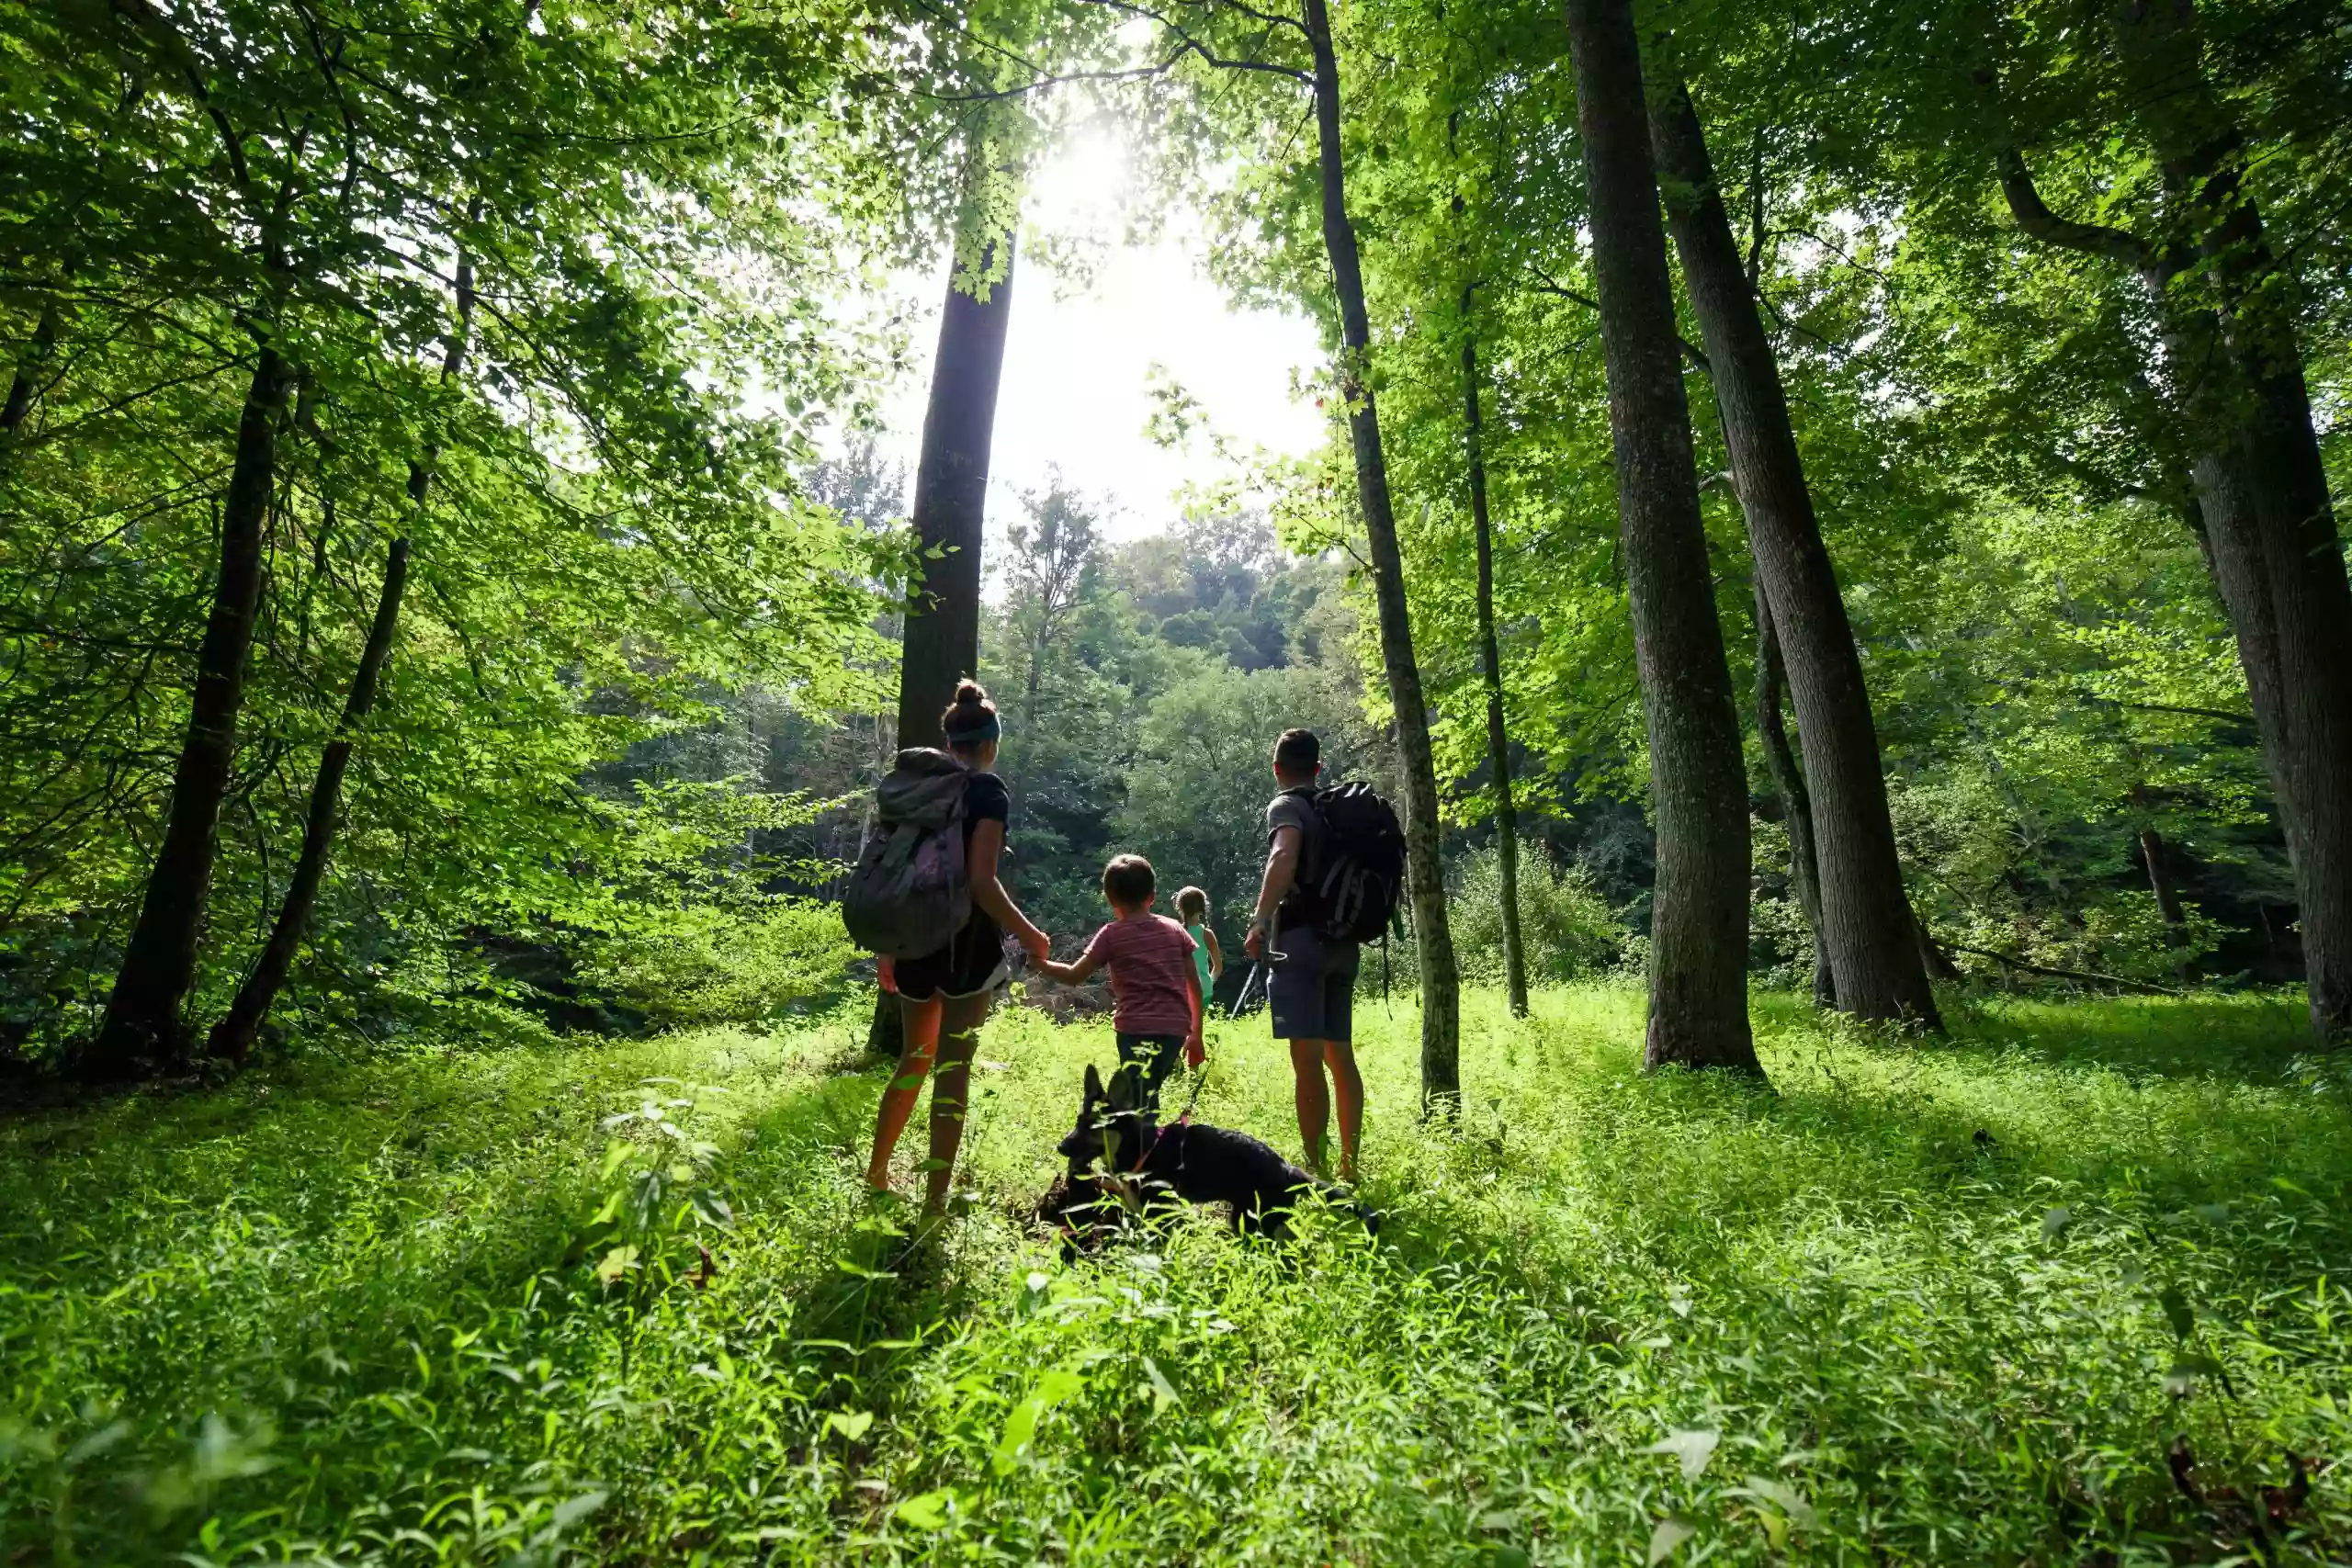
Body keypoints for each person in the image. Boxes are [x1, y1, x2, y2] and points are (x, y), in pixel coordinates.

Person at [866, 680, 1050, 1215]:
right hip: (966, 947)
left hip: (914, 943)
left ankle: (877, 1175)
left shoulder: (919, 787)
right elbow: (982, 883)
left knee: (912, 1060)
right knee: (953, 1070)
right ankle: (935, 1201)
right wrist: (1029, 933)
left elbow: (895, 870)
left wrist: (889, 948)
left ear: (950, 742)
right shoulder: (987, 792)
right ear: (991, 741)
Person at [1242, 728, 1363, 1183]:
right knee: (1341, 1058)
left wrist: (1259, 919)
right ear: (1317, 768)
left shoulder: (1286, 805)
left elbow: (1284, 856)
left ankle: (1315, 1171)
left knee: (1308, 1061)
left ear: (1277, 770)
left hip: (1300, 945)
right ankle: (1350, 1166)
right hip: (1344, 945)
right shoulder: (1337, 810)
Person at [1036, 854, 1203, 1109]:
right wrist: (1196, 1034)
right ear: (1152, 895)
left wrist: (1040, 963)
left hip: (1135, 1030)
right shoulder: (1174, 929)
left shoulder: (1111, 935)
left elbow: (1074, 975)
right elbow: (1195, 985)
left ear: (1110, 899)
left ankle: (1146, 1145)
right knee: (1144, 1094)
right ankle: (1148, 1141)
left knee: (1139, 1104)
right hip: (1175, 1031)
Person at [1173, 886, 1224, 1045]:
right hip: (1203, 990)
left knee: (1180, 1030)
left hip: (1181, 989)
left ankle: (1178, 1065)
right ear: (1202, 908)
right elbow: (1218, 966)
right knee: (1197, 1029)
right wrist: (1208, 982)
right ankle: (1195, 1066)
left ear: (1180, 908)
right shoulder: (1206, 934)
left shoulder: (1175, 932)